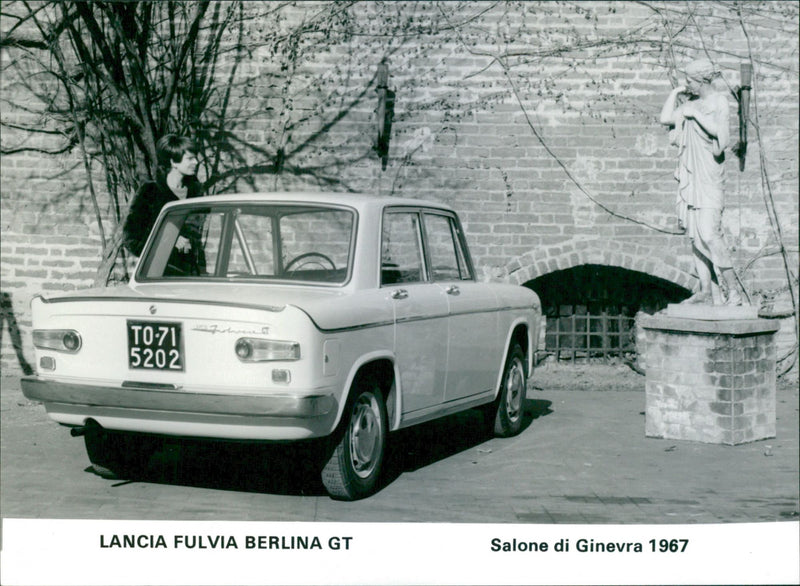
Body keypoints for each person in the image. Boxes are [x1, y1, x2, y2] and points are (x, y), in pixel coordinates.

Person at [660, 58, 745, 306]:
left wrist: (695, 115)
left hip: (710, 178)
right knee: (696, 237)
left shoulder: (718, 101)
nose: (687, 84)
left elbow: (722, 140)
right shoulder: (692, 103)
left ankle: (734, 292)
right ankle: (706, 292)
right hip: (693, 177)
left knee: (709, 234)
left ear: (703, 80)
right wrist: (676, 92)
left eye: (689, 80)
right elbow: (665, 118)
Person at [123, 134, 206, 274]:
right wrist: (170, 240)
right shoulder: (150, 192)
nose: (196, 162)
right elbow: (131, 238)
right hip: (155, 271)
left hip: (188, 272)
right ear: (173, 162)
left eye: (195, 158)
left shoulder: (196, 193)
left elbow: (196, 235)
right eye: (190, 158)